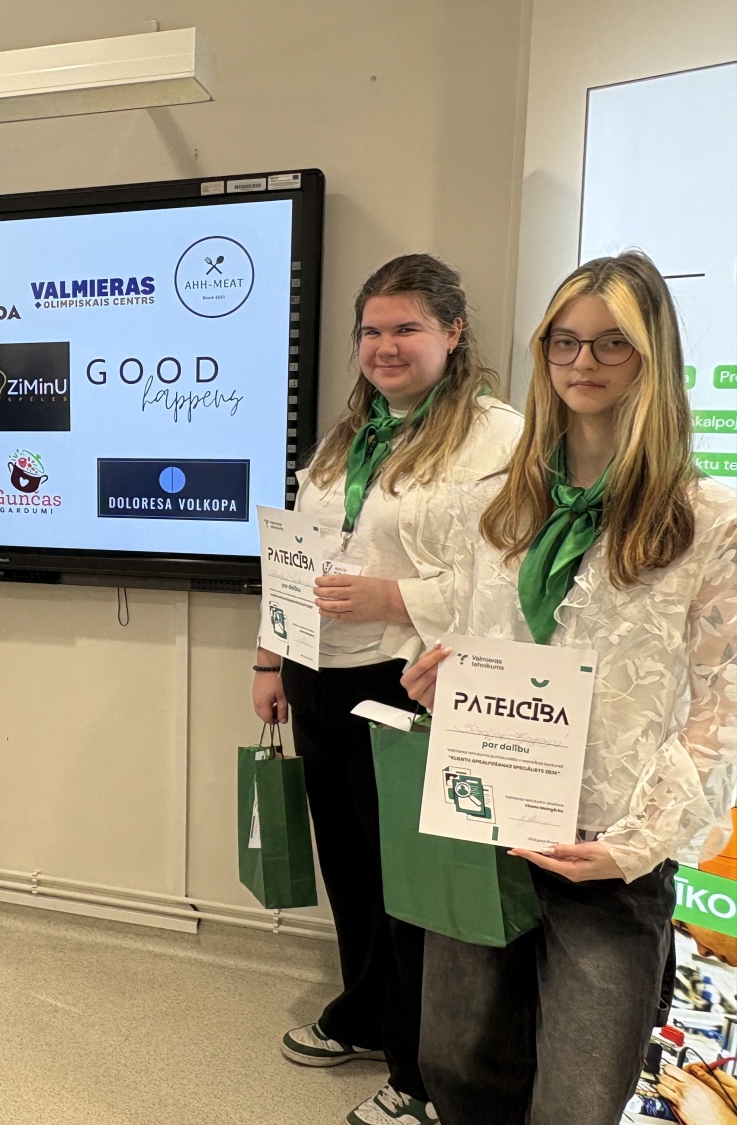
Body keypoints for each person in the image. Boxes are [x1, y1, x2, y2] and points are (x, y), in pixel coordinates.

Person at [402, 252, 737, 1124]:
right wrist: (441, 680)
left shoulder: (708, 522)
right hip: (487, 822)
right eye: (564, 342)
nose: (583, 362)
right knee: (458, 1066)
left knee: (578, 1099)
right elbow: (480, 648)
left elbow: (722, 707)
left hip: (608, 851)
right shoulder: (497, 507)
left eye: (611, 343)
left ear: (652, 357)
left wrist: (637, 843)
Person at [251, 254, 523, 1125]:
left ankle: (422, 1073)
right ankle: (368, 1011)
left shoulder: (498, 438)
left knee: (416, 887)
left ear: (454, 331)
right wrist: (269, 658)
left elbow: (507, 576)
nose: (384, 346)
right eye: (371, 330)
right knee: (351, 865)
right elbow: (293, 554)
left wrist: (394, 598)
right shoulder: (348, 435)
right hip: (318, 673)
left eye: (407, 327)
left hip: (412, 679)